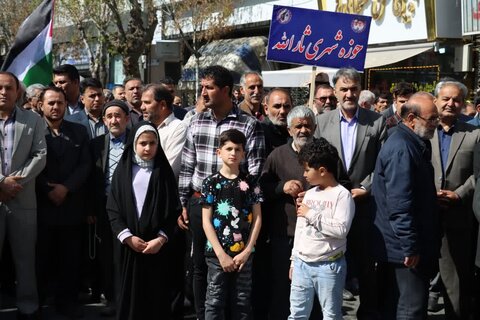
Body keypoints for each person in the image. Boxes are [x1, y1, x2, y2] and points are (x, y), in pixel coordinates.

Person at [178, 65, 265, 320]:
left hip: (237, 208)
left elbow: (255, 171)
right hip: (199, 205)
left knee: (236, 268)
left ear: (226, 91)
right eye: (202, 87)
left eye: (209, 88)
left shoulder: (248, 125)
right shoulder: (195, 120)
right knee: (200, 267)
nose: (203, 93)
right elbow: (187, 164)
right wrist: (182, 202)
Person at [314, 67, 387, 320]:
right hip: (333, 206)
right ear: (335, 91)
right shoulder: (322, 123)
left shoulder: (376, 121)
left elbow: (382, 163)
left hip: (365, 205)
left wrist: (366, 188)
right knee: (332, 264)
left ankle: (368, 312)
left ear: (360, 89)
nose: (349, 93)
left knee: (367, 266)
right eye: (343, 89)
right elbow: (317, 161)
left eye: (353, 88)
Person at [372, 92, 442, 319]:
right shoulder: (402, 148)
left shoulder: (413, 143)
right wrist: (409, 246)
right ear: (411, 118)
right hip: (403, 248)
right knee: (410, 308)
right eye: (431, 119)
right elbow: (399, 203)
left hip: (404, 244)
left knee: (400, 305)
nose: (436, 125)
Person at [106, 122, 181, 320]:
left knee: (155, 298)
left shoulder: (163, 173)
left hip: (156, 247)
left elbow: (173, 210)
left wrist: (161, 239)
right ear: (134, 145)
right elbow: (113, 208)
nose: (148, 148)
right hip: (128, 247)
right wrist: (127, 236)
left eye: (152, 143)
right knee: (129, 297)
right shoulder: (123, 172)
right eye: (143, 143)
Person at [36, 86, 91, 318]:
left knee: (70, 258)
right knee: (41, 256)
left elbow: (86, 164)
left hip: (71, 204)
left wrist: (66, 188)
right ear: (41, 105)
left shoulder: (79, 131)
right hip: (42, 204)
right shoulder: (33, 131)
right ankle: (37, 300)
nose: (55, 107)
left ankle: (66, 300)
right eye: (51, 103)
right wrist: (47, 188)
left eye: (59, 103)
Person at [429, 80, 480, 319]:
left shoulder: (475, 134)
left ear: (463, 104)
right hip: (425, 212)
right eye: (446, 99)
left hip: (457, 214)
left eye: (456, 100)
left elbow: (477, 174)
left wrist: (459, 194)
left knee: (455, 278)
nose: (451, 103)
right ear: (436, 100)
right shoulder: (422, 130)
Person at [289, 138, 355, 320]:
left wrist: (312, 214)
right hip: (302, 264)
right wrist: (294, 260)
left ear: (323, 171)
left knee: (331, 315)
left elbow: (341, 230)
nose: (304, 174)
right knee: (297, 314)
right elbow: (300, 231)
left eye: (307, 169)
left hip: (329, 266)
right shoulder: (309, 194)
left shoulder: (342, 195)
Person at [201, 129, 262, 319]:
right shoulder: (211, 182)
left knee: (242, 301)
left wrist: (248, 250)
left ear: (244, 153)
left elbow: (258, 218)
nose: (233, 153)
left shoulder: (250, 182)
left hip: (243, 253)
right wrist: (221, 254)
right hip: (216, 254)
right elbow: (206, 221)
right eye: (228, 148)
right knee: (214, 300)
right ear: (219, 152)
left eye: (238, 149)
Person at [0, 71, 47, 319]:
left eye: (9, 88)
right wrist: (1, 182)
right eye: (0, 87)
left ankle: (28, 306)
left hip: (23, 199)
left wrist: (15, 183)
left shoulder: (33, 120)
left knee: (25, 259)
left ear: (18, 92)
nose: (3, 92)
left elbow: (40, 154)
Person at [89, 99, 131, 316]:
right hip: (105, 208)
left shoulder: (137, 142)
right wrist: (91, 210)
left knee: (127, 254)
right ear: (104, 121)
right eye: (110, 117)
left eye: (118, 116)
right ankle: (112, 298)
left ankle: (128, 298)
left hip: (131, 209)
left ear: (127, 118)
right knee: (107, 254)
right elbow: (91, 180)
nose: (114, 120)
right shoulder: (96, 144)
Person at [141, 84, 187, 179]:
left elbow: (170, 168)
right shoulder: (144, 127)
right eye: (142, 103)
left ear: (162, 105)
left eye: (147, 103)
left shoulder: (178, 128)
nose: (142, 107)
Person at [261, 88, 292, 156]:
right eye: (277, 106)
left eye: (287, 106)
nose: (282, 111)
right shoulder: (260, 132)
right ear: (266, 109)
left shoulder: (295, 131)